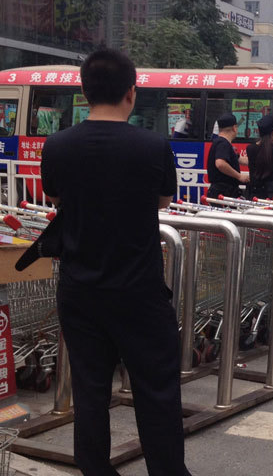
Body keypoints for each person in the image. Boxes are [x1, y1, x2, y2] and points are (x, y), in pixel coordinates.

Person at [40, 48, 191, 475]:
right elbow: (162, 200)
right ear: (132, 93)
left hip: (80, 290)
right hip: (138, 289)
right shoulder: (153, 146)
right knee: (157, 392)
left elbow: (55, 198)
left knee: (90, 393)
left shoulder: (59, 145)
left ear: (85, 92)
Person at [206, 113, 249, 199]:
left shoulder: (221, 143)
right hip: (223, 192)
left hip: (222, 191)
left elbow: (241, 160)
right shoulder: (223, 143)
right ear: (234, 128)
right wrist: (239, 176)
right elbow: (220, 163)